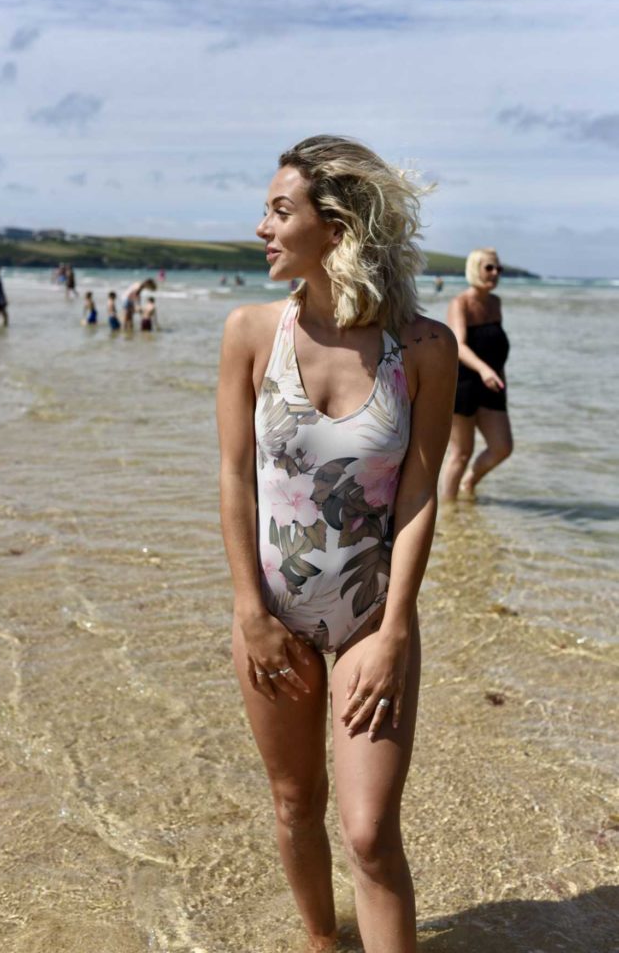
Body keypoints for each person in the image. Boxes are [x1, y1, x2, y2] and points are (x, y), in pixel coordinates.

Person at [217, 135, 457, 952]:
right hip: (274, 617)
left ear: (337, 224)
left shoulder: (422, 350)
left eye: (278, 211)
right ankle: (321, 943)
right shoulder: (251, 333)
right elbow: (234, 478)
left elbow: (420, 493)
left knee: (367, 834)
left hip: (367, 622)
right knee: (293, 805)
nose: (262, 227)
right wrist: (251, 611)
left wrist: (393, 629)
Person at [441, 247, 513, 500]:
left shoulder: (495, 303)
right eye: (489, 268)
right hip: (464, 383)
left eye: (499, 268)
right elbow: (458, 345)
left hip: (492, 383)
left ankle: (469, 483)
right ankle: (448, 511)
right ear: (475, 269)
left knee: (502, 447)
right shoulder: (460, 303)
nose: (495, 273)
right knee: (461, 453)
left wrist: (499, 377)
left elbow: (495, 347)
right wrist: (483, 370)